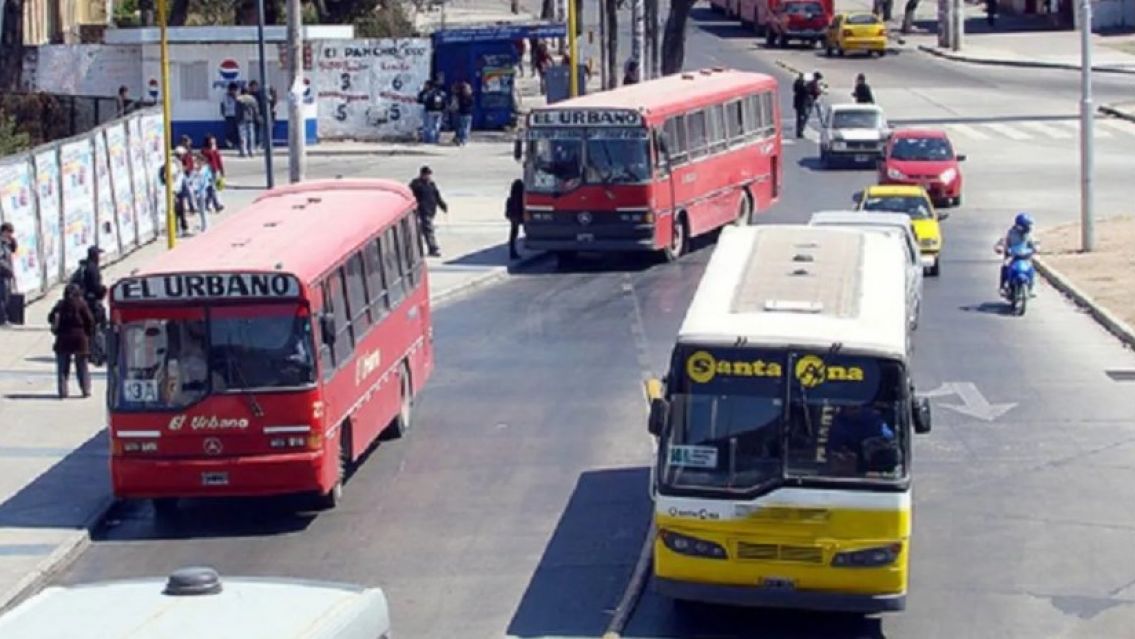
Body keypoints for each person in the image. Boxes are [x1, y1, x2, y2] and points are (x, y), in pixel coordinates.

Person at [48, 284, 95, 398]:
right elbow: (90, 320)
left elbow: (50, 318)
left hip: (63, 337)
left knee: (62, 367)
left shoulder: (60, 304)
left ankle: (63, 391)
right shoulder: (82, 304)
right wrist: (88, 334)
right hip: (80, 337)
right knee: (82, 366)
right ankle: (85, 389)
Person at [409, 166, 447, 257]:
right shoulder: (416, 185)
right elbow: (410, 196)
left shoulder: (431, 184)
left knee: (423, 230)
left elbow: (437, 196)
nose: (428, 176)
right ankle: (433, 248)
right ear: (422, 174)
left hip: (431, 210)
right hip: (422, 210)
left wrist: (442, 205)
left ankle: (413, 248)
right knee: (429, 229)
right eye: (426, 174)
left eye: (429, 174)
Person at [996, 212, 1036, 297]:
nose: (1029, 227)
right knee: (1005, 265)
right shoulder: (1011, 233)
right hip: (1012, 256)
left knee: (1031, 267)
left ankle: (1031, 286)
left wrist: (1036, 248)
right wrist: (1000, 247)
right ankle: (1002, 286)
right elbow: (1002, 241)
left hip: (1025, 257)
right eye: (1027, 225)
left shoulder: (1029, 234)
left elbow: (1034, 243)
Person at [201, 133, 225, 212]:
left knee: (213, 189)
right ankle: (217, 205)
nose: (213, 143)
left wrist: (222, 171)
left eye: (214, 141)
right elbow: (205, 160)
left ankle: (207, 204)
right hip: (208, 171)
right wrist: (213, 151)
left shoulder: (215, 150)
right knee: (212, 188)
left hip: (215, 171)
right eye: (212, 141)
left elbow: (219, 160)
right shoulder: (205, 150)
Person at [236, 88, 260, 157]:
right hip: (250, 119)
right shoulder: (252, 99)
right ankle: (252, 151)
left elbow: (237, 111)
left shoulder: (239, 99)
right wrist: (256, 117)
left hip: (241, 119)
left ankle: (244, 151)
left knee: (243, 136)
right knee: (251, 135)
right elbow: (256, 109)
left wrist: (237, 119)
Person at [505, 179, 525, 260]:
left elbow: (507, 211)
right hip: (517, 216)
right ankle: (513, 252)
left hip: (513, 217)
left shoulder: (510, 199)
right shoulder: (520, 198)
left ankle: (512, 251)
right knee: (515, 233)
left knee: (513, 234)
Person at [0, 222, 15, 326]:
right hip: (2, 274)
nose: (10, 235)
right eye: (9, 232)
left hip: (5, 274)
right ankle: (3, 319)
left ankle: (4, 318)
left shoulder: (6, 243)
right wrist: (9, 270)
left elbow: (13, 249)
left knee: (5, 297)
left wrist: (12, 242)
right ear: (4, 232)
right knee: (2, 297)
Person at [454, 81, 474, 146]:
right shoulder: (470, 96)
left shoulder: (459, 96)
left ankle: (460, 139)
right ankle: (464, 140)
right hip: (468, 113)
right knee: (466, 127)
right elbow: (472, 104)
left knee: (461, 127)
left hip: (461, 113)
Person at [221, 83, 240, 149]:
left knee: (237, 130)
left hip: (237, 115)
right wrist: (223, 113)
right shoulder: (225, 96)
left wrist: (235, 97)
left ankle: (237, 144)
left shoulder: (238, 95)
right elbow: (224, 105)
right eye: (231, 90)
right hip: (229, 115)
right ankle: (230, 144)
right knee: (230, 130)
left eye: (234, 90)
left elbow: (240, 104)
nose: (233, 91)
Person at [792, 73, 808, 138]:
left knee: (798, 118)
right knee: (802, 118)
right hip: (802, 103)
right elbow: (806, 91)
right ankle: (800, 132)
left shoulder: (796, 82)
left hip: (797, 103)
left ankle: (798, 132)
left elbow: (794, 89)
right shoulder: (803, 84)